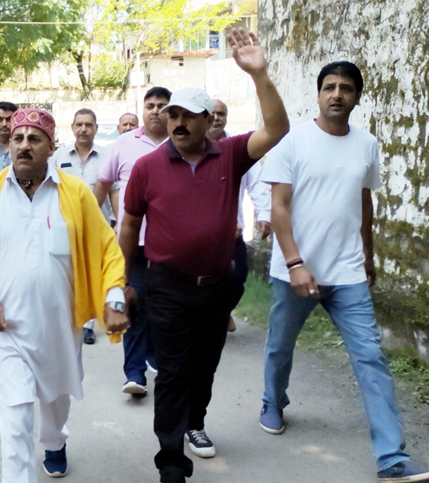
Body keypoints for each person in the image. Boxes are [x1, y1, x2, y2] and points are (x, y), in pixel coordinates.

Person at [259, 61, 429, 483]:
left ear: (357, 96)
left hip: (348, 274)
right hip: (296, 273)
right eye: (329, 87)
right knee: (280, 346)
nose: (336, 94)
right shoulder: (293, 142)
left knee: (371, 358)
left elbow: (364, 202)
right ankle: (273, 400)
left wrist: (369, 255)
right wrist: (295, 263)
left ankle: (392, 459)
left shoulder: (367, 145)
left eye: (345, 88)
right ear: (319, 94)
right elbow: (280, 208)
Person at [120, 28, 290, 482]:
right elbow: (131, 224)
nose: (176, 122)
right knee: (174, 371)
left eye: (186, 116)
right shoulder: (147, 166)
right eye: (171, 114)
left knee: (205, 366)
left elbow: (277, 129)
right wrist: (125, 279)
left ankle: (194, 422)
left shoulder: (231, 154)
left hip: (216, 287)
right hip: (165, 286)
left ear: (205, 120)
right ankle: (171, 459)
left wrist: (259, 74)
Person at [0, 107, 129, 483]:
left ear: (51, 147)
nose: (24, 146)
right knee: (14, 420)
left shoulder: (76, 193)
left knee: (55, 408)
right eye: (18, 138)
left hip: (61, 330)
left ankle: (55, 441)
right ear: (9, 144)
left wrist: (113, 300)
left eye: (34, 139)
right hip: (7, 329)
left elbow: (107, 250)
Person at [93, 86, 172, 397]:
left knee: (161, 304)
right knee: (134, 299)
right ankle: (135, 373)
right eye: (150, 105)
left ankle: (155, 357)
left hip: (170, 244)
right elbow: (101, 188)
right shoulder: (124, 144)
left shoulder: (182, 143)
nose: (155, 111)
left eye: (162, 106)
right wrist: (93, 228)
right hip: (132, 242)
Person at [50, 108, 117, 345]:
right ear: (72, 128)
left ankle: (87, 324)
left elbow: (114, 191)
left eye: (88, 124)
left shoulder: (108, 155)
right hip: (63, 226)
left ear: (96, 128)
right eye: (79, 124)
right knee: (67, 272)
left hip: (97, 224)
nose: (83, 129)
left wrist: (118, 222)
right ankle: (67, 317)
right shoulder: (58, 156)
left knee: (92, 273)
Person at [206, 99, 272, 333]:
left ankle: (221, 312)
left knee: (239, 275)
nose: (216, 118)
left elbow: (257, 183)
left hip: (232, 232)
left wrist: (264, 214)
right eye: (212, 113)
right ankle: (209, 317)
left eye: (221, 113)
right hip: (199, 234)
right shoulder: (193, 147)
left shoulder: (238, 148)